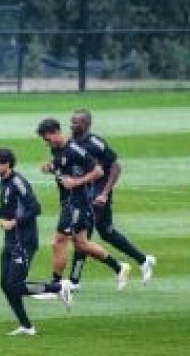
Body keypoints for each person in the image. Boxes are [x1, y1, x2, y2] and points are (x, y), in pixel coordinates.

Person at [0, 148, 73, 336]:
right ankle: (27, 326)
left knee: (15, 285)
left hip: (24, 240)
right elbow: (6, 209)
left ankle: (59, 287)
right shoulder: (3, 182)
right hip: (11, 240)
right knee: (6, 285)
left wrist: (14, 223)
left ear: (6, 164)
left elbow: (35, 208)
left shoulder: (18, 182)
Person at [35, 118, 131, 291]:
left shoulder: (75, 150)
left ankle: (56, 286)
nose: (47, 143)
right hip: (68, 201)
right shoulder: (56, 148)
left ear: (56, 132)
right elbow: (65, 166)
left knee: (59, 241)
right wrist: (51, 167)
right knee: (81, 244)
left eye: (47, 139)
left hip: (77, 202)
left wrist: (76, 182)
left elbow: (98, 171)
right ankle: (119, 268)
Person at [66, 109, 156, 290]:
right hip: (85, 192)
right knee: (106, 232)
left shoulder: (95, 143)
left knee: (82, 237)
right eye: (72, 121)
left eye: (76, 122)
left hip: (97, 194)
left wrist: (105, 193)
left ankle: (74, 282)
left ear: (86, 124)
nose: (72, 125)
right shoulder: (72, 142)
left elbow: (116, 166)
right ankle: (143, 260)